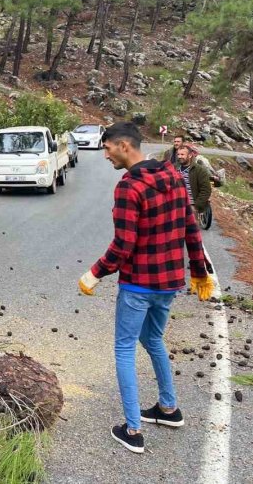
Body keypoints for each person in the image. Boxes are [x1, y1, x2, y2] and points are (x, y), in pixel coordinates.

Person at [77, 122, 214, 454]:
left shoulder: (129, 187)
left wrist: (94, 274)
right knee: (152, 338)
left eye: (106, 148)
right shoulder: (173, 177)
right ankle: (169, 409)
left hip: (138, 284)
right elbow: (191, 231)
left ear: (124, 146)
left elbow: (123, 245)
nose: (104, 154)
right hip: (169, 284)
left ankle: (133, 429)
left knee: (124, 349)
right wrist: (199, 271)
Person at [176, 144, 212, 216]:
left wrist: (196, 207)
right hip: (176, 206)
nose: (179, 156)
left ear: (189, 155)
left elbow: (206, 190)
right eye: (178, 154)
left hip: (191, 207)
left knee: (190, 227)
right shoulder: (174, 168)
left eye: (182, 154)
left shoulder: (200, 170)